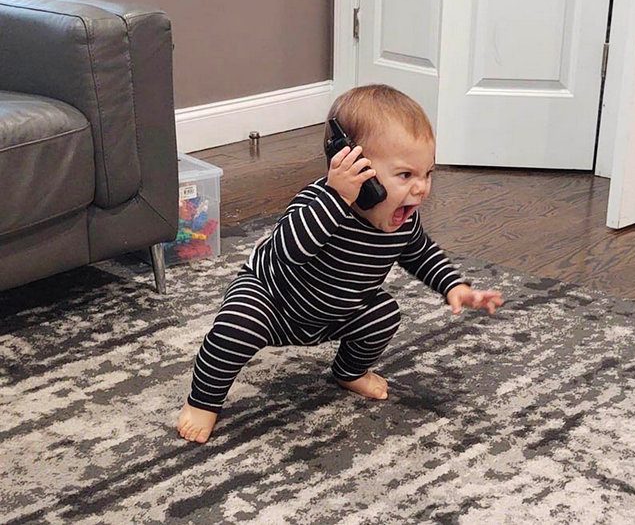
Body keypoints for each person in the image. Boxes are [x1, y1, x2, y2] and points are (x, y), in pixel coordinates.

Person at [177, 84, 504, 443]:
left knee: (384, 314)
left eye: (427, 173)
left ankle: (349, 371)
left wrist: (454, 286)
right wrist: (337, 198)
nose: (422, 187)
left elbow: (420, 253)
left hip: (337, 312)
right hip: (274, 300)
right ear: (351, 164)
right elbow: (288, 250)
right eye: (406, 175)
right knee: (235, 329)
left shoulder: (402, 222)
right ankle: (203, 401)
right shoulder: (319, 201)